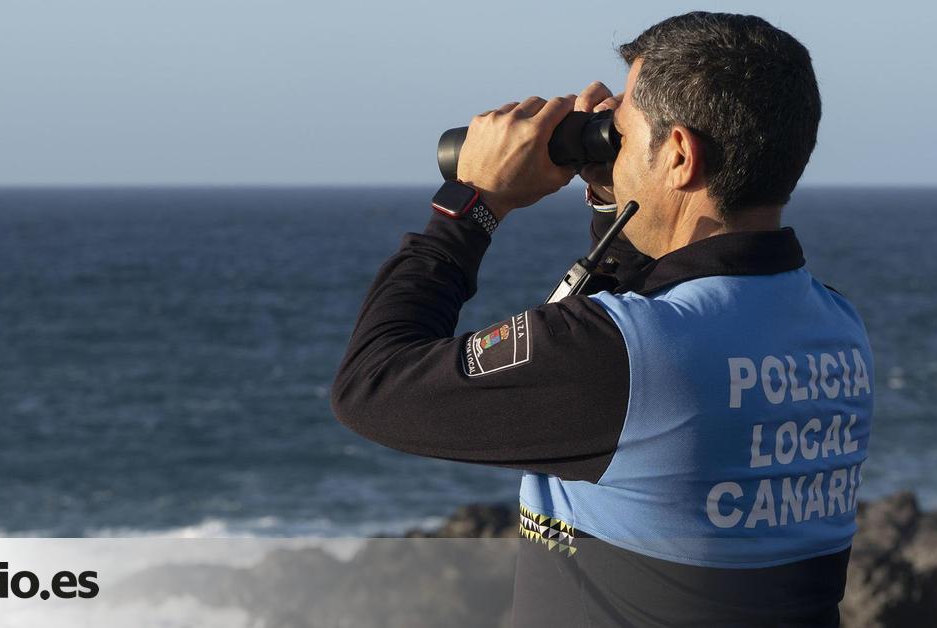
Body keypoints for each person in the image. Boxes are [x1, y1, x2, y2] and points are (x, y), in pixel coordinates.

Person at [330, 11, 874, 627]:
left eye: (619, 131)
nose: (611, 144)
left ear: (677, 154)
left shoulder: (626, 357)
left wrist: (471, 206)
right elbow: (653, 319)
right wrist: (615, 196)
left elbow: (373, 387)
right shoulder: (835, 327)